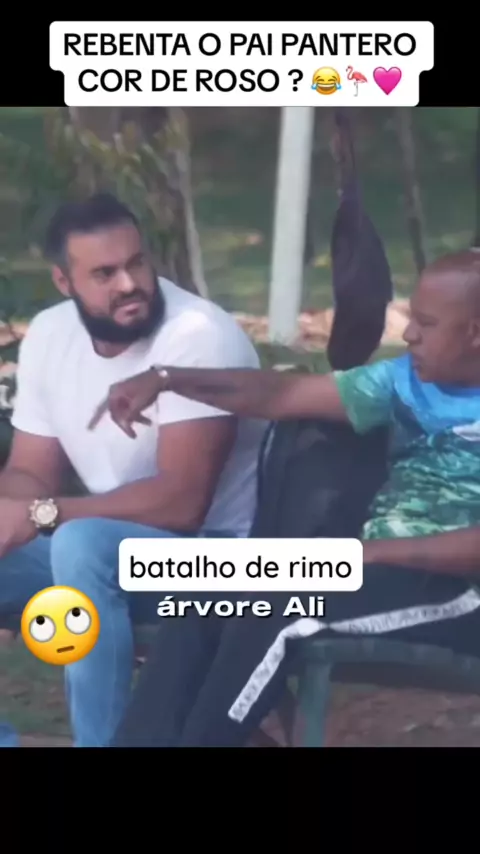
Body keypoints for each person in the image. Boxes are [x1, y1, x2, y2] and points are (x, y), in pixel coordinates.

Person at [94, 249, 480, 747]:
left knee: (278, 603)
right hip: (372, 569)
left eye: (426, 324)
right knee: (206, 586)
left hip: (457, 593)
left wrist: (367, 554)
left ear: (475, 332)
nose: (408, 335)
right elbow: (281, 395)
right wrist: (169, 379)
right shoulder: (407, 381)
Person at [0, 192, 266, 747]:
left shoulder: (196, 336)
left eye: (136, 263)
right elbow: (30, 471)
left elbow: (181, 504)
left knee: (81, 545)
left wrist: (44, 513)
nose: (129, 284)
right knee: (81, 545)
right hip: (109, 556)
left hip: (219, 560)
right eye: (104, 274)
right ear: (64, 281)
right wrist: (10, 512)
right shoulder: (50, 335)